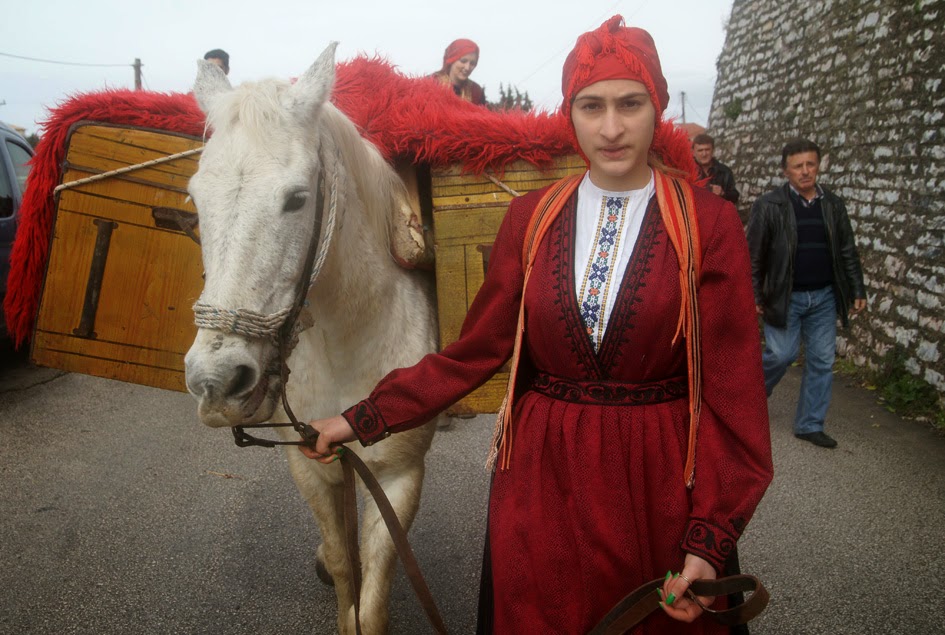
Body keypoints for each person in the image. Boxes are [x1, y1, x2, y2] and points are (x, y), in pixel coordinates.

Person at [305, 16, 772, 634]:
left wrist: (708, 539)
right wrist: (362, 417)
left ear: (656, 106)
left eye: (630, 104)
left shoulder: (708, 225)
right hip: (541, 479)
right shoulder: (531, 217)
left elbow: (735, 402)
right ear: (569, 113)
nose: (611, 127)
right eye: (591, 105)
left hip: (657, 484)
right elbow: (473, 353)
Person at [746, 138, 867, 449]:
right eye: (798, 166)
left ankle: (810, 424)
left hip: (824, 297)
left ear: (819, 165)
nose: (805, 171)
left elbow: (847, 250)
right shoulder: (769, 205)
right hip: (785, 296)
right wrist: (754, 294)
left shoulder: (833, 205)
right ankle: (751, 396)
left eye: (810, 164)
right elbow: (753, 255)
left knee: (822, 360)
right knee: (781, 354)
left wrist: (857, 287)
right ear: (786, 170)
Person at [431, 38, 486, 105]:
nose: (467, 68)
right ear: (451, 60)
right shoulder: (431, 83)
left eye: (472, 63)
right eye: (463, 61)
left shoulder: (476, 91)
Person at [692, 133, 739, 204]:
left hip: (719, 213)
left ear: (713, 150)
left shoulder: (725, 171)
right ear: (693, 152)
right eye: (700, 150)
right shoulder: (687, 172)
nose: (704, 154)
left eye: (707, 150)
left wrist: (723, 193)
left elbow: (735, 197)